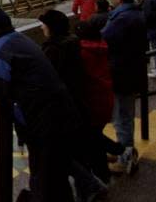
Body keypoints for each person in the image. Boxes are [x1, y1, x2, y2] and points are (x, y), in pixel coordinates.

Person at [0, 7, 80, 202]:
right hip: (63, 113)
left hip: (43, 121)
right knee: (56, 177)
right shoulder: (21, 40)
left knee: (45, 178)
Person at [37, 10, 107, 202]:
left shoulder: (54, 49)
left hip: (60, 111)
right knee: (75, 151)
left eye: (44, 24)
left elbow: (47, 81)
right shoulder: (73, 43)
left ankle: (89, 186)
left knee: (59, 154)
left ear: (51, 27)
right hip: (76, 106)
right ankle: (89, 187)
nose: (41, 27)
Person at [101, 0, 146, 174]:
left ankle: (125, 157)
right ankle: (123, 152)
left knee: (122, 117)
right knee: (124, 116)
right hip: (131, 71)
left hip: (122, 73)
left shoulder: (122, 18)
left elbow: (105, 38)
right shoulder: (134, 13)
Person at [75, 20, 119, 185]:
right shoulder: (101, 47)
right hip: (105, 99)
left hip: (91, 103)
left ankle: (102, 175)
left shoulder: (83, 53)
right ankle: (106, 165)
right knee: (94, 136)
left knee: (92, 139)